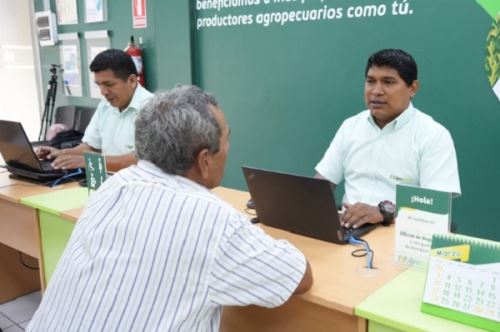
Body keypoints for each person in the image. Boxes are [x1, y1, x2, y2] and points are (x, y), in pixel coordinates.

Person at [27, 85, 313, 332]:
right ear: (204, 160)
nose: (228, 148)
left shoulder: (113, 186)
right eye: (227, 140)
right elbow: (299, 277)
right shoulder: (213, 221)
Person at [316, 49, 461, 229]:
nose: (376, 91)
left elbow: (436, 208)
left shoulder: (433, 135)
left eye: (388, 82)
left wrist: (383, 213)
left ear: (412, 88)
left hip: (402, 235)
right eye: (370, 82)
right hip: (347, 228)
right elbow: (322, 184)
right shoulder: (350, 126)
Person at [35, 49, 154, 172]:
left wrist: (89, 161)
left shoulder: (153, 110)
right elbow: (91, 147)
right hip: (109, 182)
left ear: (132, 81)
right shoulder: (105, 106)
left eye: (109, 84)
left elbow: (143, 161)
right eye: (99, 85)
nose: (103, 92)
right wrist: (61, 153)